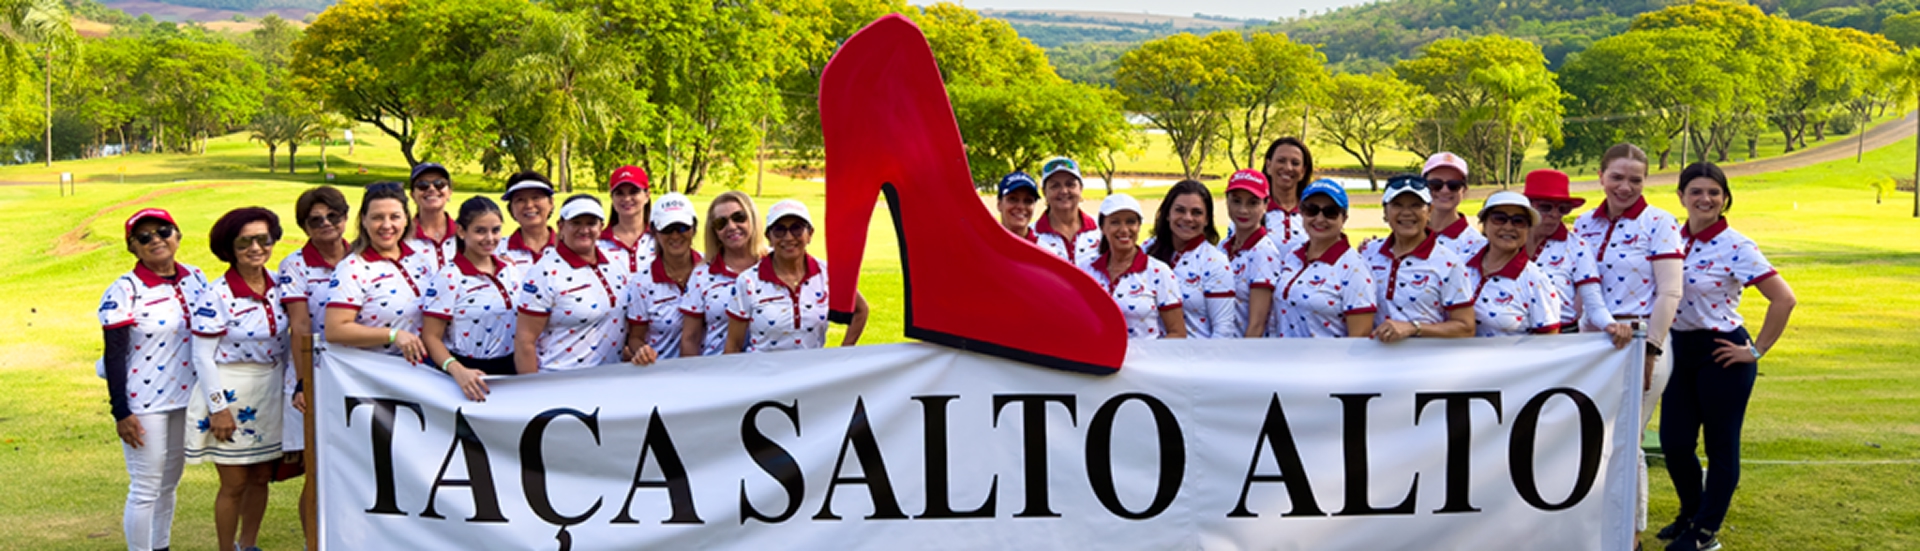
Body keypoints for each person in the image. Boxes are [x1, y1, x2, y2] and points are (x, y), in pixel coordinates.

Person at [1658, 162, 1797, 551]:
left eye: (1714, 192)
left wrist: (1755, 350)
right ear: (1681, 196)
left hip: (1721, 352)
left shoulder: (1736, 245)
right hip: (1677, 350)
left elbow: (1784, 299)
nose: (1705, 199)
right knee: (1675, 443)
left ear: (1725, 198)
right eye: (1696, 191)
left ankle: (1705, 531)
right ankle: (1691, 513)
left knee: (1720, 446)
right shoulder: (1670, 238)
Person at [1571, 143, 1685, 545]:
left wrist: (1651, 349)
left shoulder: (1660, 223)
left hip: (1639, 338)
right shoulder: (1584, 224)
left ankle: (1629, 533)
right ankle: (1593, 522)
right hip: (1590, 341)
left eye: (1635, 180)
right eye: (1617, 177)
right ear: (1601, 176)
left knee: (1627, 439)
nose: (1625, 187)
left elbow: (1670, 292)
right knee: (1591, 436)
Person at [98, 208, 216, 551]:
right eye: (144, 237)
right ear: (133, 247)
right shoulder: (125, 290)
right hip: (143, 402)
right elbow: (114, 355)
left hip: (185, 396)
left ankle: (160, 546)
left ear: (177, 235)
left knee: (168, 484)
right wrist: (121, 411)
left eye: (163, 231)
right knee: (145, 488)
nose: (156, 240)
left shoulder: (196, 277)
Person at [186, 207, 289, 551]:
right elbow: (202, 356)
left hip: (270, 389)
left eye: (263, 239)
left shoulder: (281, 285)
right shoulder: (217, 294)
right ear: (229, 247)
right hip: (230, 390)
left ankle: (249, 544)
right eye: (245, 242)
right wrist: (218, 408)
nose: (256, 248)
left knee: (261, 477)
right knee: (234, 482)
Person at [272, 185, 348, 543]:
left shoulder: (361, 256)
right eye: (315, 220)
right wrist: (304, 383)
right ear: (304, 226)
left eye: (333, 216)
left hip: (356, 373)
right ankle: (313, 543)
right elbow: (300, 325)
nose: (326, 224)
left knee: (353, 469)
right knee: (317, 471)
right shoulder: (295, 265)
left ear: (346, 217)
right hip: (313, 371)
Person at [515, 195, 646, 372]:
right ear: (561, 226)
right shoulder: (544, 272)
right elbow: (525, 342)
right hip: (560, 379)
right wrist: (533, 386)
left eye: (591, 223)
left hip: (608, 376)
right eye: (576, 223)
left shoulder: (613, 263)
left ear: (601, 227)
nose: (584, 230)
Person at [725, 200, 870, 352]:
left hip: (812, 366)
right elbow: (734, 344)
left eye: (797, 228)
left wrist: (844, 352)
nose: (788, 237)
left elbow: (860, 310)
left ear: (810, 234)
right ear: (769, 237)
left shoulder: (827, 273)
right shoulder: (748, 281)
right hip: (762, 366)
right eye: (779, 230)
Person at [422, 197, 525, 401]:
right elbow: (431, 336)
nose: (489, 238)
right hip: (467, 374)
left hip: (510, 369)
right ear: (462, 231)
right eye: (480, 231)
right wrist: (457, 370)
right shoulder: (450, 277)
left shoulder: (510, 269)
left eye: (495, 230)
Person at [325, 182, 436, 364]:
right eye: (377, 217)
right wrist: (392, 335)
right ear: (364, 220)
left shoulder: (420, 260)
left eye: (395, 217)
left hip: (424, 368)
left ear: (406, 219)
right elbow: (335, 330)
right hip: (377, 372)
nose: (386, 225)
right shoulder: (352, 268)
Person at [1361, 175, 1476, 342]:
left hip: (1427, 357)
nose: (1407, 213)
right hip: (1374, 355)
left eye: (1416, 205)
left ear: (1429, 211)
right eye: (1397, 205)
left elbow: (1466, 327)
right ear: (1385, 212)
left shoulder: (1449, 263)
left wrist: (1414, 328)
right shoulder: (1368, 253)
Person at [1272, 180, 1376, 338]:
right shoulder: (1294, 255)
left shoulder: (1355, 269)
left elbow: (1359, 337)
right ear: (1301, 213)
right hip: (1282, 352)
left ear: (1344, 218)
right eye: (1311, 210)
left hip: (1326, 354)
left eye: (1330, 212)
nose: (1320, 219)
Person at [1078, 193, 1187, 339]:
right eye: (1115, 222)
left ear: (1139, 226)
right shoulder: (1085, 270)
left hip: (1146, 354)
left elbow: (1177, 333)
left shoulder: (1159, 272)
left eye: (1131, 222)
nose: (1124, 229)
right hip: (1096, 353)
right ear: (1102, 227)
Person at [1522, 169, 1617, 333]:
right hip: (1511, 337)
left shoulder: (1576, 247)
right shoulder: (1506, 243)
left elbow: (1594, 304)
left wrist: (1611, 325)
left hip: (1563, 337)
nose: (1555, 214)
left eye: (1563, 209)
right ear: (1527, 207)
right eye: (1545, 207)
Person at [1461, 192, 1560, 336]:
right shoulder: (1459, 265)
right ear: (1484, 224)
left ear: (1528, 230)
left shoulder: (1536, 280)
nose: (1508, 227)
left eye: (1519, 221)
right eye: (1499, 219)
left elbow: (1548, 340)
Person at [1145, 179, 1234, 338]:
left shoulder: (1215, 263)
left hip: (1197, 352)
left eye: (1196, 212)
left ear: (1207, 219)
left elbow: (1223, 331)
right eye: (1180, 210)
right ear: (1167, 214)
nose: (1187, 218)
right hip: (1147, 351)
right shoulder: (1146, 250)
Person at [680, 191, 762, 357]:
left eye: (739, 217)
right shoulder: (702, 274)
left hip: (768, 368)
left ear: (752, 218)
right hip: (716, 367)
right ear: (714, 231)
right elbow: (690, 338)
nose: (731, 226)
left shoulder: (776, 263)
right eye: (721, 223)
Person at [625, 193, 701, 361]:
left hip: (710, 369)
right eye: (666, 229)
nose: (675, 236)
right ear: (654, 232)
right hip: (661, 369)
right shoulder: (642, 282)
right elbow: (635, 337)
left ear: (694, 228)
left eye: (682, 228)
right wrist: (642, 350)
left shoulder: (709, 269)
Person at [1219, 169, 1285, 338]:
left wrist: (1242, 354)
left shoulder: (1263, 253)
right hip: (1221, 345)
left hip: (1246, 350)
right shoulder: (1223, 247)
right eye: (1236, 201)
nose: (1243, 210)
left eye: (1253, 203)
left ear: (1266, 205)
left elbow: (1257, 325)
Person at [1032, 156, 1101, 264]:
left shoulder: (1102, 230)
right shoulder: (1031, 235)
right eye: (1055, 186)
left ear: (1080, 188)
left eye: (1070, 184)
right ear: (1044, 192)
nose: (1064, 191)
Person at [1423, 152, 1488, 255]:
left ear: (1464, 190)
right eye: (1435, 184)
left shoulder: (1478, 246)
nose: (1444, 190)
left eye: (1454, 185)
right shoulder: (1406, 235)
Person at [600, 165, 658, 277]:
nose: (626, 198)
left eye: (633, 192)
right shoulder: (598, 243)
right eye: (619, 193)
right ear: (612, 197)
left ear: (647, 196)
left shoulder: (660, 239)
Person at [1259, 137, 1312, 251]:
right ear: (1268, 166)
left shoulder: (1314, 212)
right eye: (1281, 161)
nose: (1288, 168)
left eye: (1295, 163)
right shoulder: (1252, 210)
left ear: (1303, 171)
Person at [497, 171, 557, 266]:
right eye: (520, 200)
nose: (529, 205)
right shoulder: (496, 251)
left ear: (551, 203)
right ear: (510, 208)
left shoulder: (570, 248)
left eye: (536, 197)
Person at [405, 162, 457, 268]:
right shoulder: (403, 237)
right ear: (412, 195)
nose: (432, 189)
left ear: (449, 192)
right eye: (422, 185)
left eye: (439, 184)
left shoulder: (464, 234)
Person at [996, 171, 1040, 242]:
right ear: (999, 204)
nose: (1021, 207)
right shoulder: (984, 243)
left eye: (1028, 201)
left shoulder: (1042, 247)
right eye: (1013, 199)